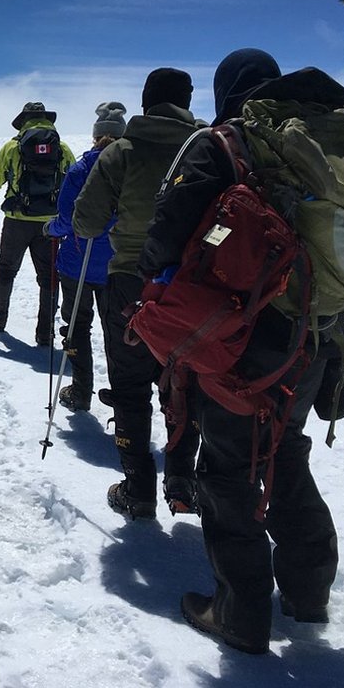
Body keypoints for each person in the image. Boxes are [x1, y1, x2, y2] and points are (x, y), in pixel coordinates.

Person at [137, 49, 344, 655]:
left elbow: (164, 239)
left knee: (229, 472)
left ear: (225, 90)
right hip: (316, 336)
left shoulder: (223, 145)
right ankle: (308, 591)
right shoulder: (319, 148)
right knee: (284, 451)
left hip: (240, 342)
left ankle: (239, 613)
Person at [72, 68, 203, 519]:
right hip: (194, 287)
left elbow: (86, 222)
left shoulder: (123, 151)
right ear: (187, 101)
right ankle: (182, 478)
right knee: (185, 380)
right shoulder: (208, 146)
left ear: (146, 102)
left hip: (131, 279)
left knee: (129, 386)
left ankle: (138, 488)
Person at [43, 102, 126, 411]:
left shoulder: (81, 169)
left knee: (77, 327)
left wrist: (50, 229)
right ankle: (123, 399)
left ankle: (80, 392)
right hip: (118, 265)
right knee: (117, 331)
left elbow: (67, 219)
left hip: (78, 263)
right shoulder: (133, 168)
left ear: (95, 135)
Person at [0, 102, 75, 345]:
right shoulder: (61, 148)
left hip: (17, 220)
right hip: (50, 225)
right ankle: (45, 332)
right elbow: (73, 180)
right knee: (49, 277)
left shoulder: (13, 147)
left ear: (24, 120)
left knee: (6, 269)